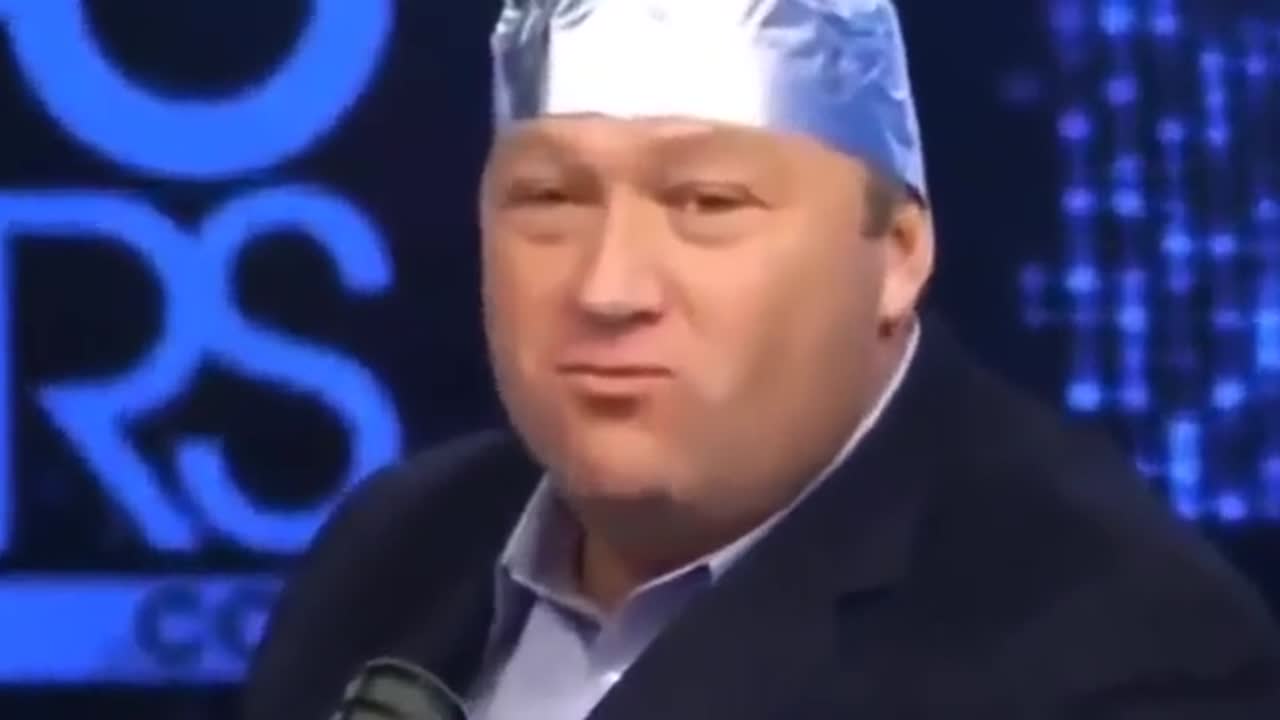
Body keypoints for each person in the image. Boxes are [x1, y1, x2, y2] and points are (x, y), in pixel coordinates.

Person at [242, 1, 1280, 718]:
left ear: (896, 254)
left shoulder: (1121, 654)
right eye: (549, 199)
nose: (607, 286)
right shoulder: (390, 551)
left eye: (706, 204)